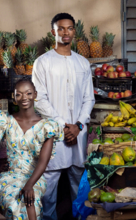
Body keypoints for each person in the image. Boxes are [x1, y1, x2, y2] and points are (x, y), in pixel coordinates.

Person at [32, 13, 95, 219]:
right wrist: (63, 125)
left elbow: (89, 99)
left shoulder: (82, 63)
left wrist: (78, 125)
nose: (65, 32)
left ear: (74, 32)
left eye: (69, 28)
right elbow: (39, 99)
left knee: (80, 185)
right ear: (53, 32)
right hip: (54, 133)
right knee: (49, 186)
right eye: (61, 28)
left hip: (78, 133)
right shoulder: (43, 63)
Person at [0, 78, 64, 220]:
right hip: (10, 177)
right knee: (13, 202)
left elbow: (43, 161)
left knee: (31, 203)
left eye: (28, 93)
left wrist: (29, 185)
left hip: (35, 177)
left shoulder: (47, 126)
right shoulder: (6, 121)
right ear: (14, 97)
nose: (24, 98)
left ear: (35, 95)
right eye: (19, 94)